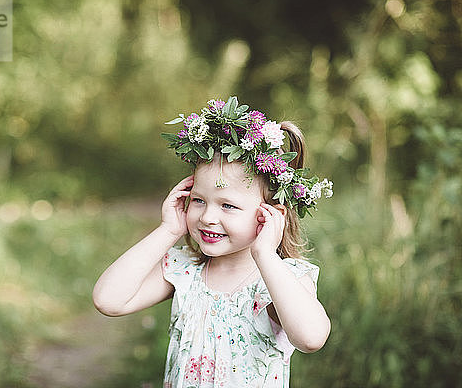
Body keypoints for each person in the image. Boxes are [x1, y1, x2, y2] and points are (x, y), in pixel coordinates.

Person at [93, 96, 332, 387]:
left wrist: (266, 255)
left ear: (270, 215)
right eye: (198, 200)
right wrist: (168, 231)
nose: (207, 217)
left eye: (227, 206)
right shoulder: (186, 270)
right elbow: (108, 300)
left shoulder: (281, 280)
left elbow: (311, 338)